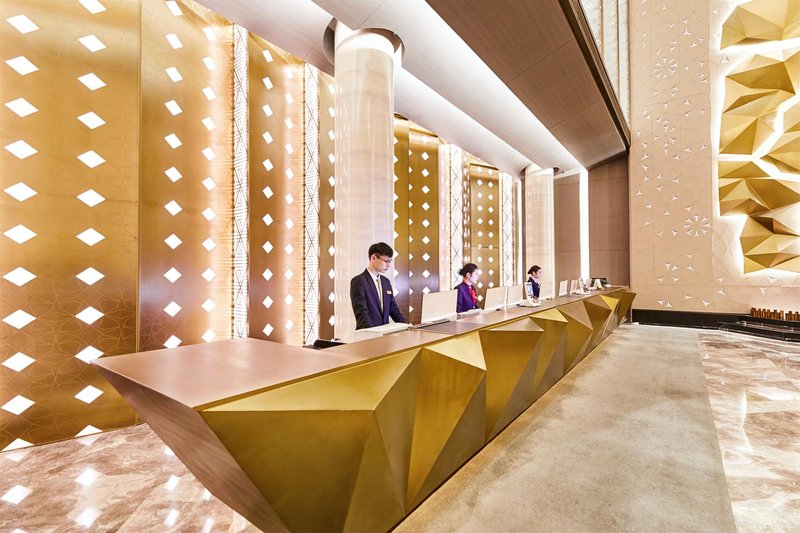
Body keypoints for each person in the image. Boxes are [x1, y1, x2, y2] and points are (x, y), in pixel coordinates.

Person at [350, 242, 406, 330]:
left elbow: (393, 308)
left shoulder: (386, 282)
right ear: (373, 258)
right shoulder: (358, 281)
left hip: (385, 334)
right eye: (386, 261)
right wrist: (373, 333)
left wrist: (406, 326)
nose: (389, 265)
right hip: (368, 334)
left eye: (390, 261)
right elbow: (361, 313)